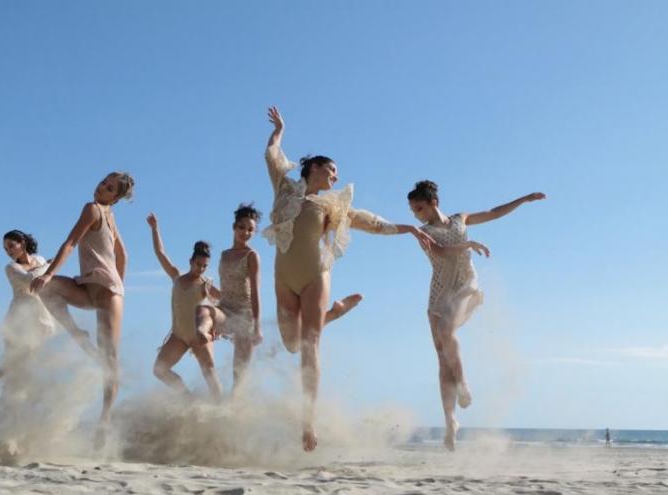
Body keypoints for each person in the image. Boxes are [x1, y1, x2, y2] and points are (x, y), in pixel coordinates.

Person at [263, 107, 433, 452]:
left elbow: (371, 223)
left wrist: (410, 228)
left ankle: (307, 424)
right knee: (291, 344)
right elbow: (271, 154)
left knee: (309, 348)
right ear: (314, 168)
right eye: (332, 170)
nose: (336, 177)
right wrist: (280, 130)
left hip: (315, 276)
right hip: (283, 278)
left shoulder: (333, 205)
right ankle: (335, 312)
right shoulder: (284, 189)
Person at [408, 179, 546, 451]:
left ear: (433, 202)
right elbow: (441, 253)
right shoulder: (423, 232)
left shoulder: (461, 218)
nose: (417, 215)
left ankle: (463, 383)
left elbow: (493, 212)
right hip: (439, 291)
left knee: (448, 332)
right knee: (441, 358)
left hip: (465, 285)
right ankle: (451, 423)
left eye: (419, 208)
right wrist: (467, 245)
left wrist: (523, 199)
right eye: (413, 211)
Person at [30, 172, 134, 444]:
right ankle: (77, 333)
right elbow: (122, 255)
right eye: (103, 182)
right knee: (46, 290)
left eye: (109, 188)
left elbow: (71, 242)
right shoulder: (103, 212)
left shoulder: (98, 211)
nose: (102, 188)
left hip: (108, 293)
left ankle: (105, 420)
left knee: (109, 359)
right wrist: (49, 278)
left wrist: (49, 273)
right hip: (88, 288)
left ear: (116, 198)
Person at [0, 230, 55, 394]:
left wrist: (47, 266)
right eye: (5, 249)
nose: (8, 251)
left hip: (41, 313)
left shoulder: (39, 259)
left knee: (32, 357)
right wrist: (49, 266)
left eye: (10, 246)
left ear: (22, 243)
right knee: (15, 359)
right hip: (20, 317)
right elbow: (31, 281)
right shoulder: (11, 267)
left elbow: (47, 281)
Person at [147, 213, 222, 400]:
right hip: (179, 335)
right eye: (199, 264)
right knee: (159, 369)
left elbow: (226, 303)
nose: (201, 269)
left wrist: (217, 328)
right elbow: (160, 253)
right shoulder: (177, 278)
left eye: (205, 266)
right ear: (191, 262)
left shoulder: (206, 284)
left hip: (199, 336)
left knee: (210, 373)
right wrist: (155, 229)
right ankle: (187, 398)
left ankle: (223, 411)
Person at [194, 203, 263, 394]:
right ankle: (204, 332)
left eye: (251, 230)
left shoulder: (252, 256)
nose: (245, 233)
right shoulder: (224, 255)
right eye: (242, 227)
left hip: (244, 316)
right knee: (203, 310)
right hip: (225, 309)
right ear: (234, 227)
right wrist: (207, 290)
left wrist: (257, 326)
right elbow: (225, 291)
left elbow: (256, 292)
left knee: (238, 379)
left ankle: (232, 415)